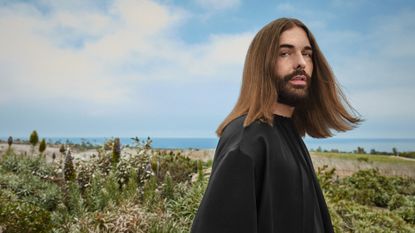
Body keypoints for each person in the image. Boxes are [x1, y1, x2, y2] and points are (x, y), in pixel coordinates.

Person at [190, 18, 361, 233]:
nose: (301, 63)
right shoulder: (247, 140)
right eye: (285, 53)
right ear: (262, 64)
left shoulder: (287, 133)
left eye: (307, 53)